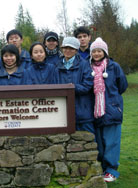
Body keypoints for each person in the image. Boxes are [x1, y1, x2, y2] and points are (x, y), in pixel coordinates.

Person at [90, 37, 128, 182]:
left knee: (112, 141)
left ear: (105, 52)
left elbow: (122, 86)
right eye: (94, 51)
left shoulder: (114, 67)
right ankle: (102, 168)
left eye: (99, 51)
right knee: (99, 141)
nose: (97, 54)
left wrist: (112, 101)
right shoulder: (88, 67)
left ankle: (111, 170)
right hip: (95, 110)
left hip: (111, 109)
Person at [54, 37, 95, 134]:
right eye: (65, 48)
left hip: (82, 112)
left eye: (71, 48)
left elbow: (87, 85)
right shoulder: (56, 66)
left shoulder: (84, 65)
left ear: (76, 50)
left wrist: (71, 87)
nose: (67, 51)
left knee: (89, 143)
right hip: (62, 113)